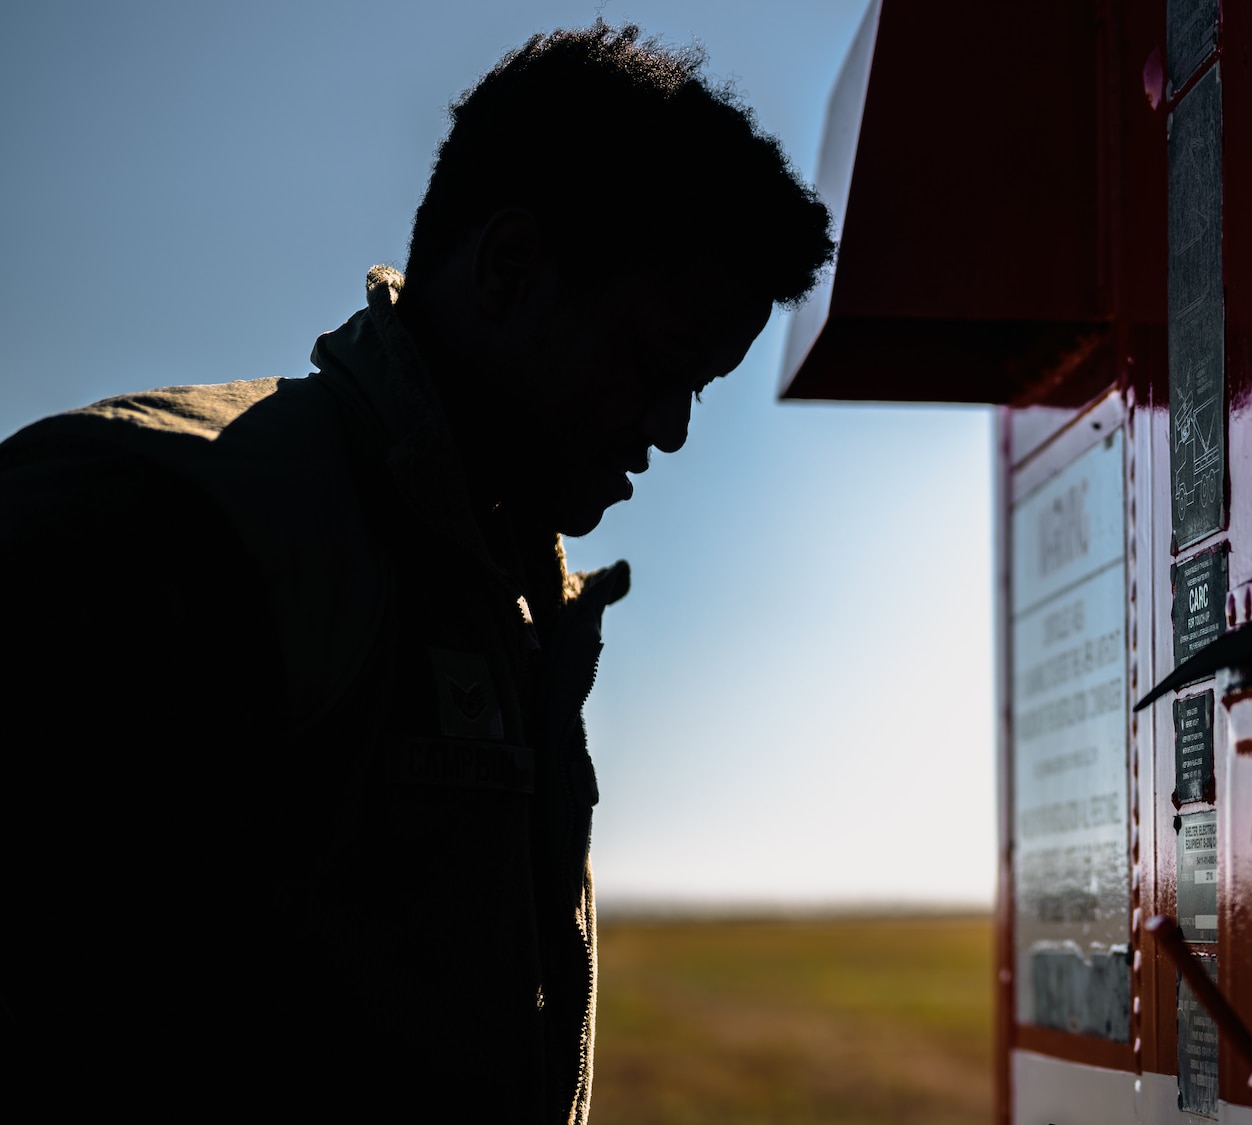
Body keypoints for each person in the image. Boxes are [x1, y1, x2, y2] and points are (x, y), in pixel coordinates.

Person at [0, 22, 832, 1122]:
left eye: (701, 388)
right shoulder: (155, 516)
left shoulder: (508, 596)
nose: (672, 431)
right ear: (508, 270)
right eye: (657, 365)